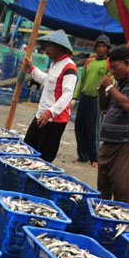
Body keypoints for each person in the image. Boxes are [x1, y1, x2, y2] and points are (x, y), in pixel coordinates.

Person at [96, 45, 129, 203]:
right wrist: (101, 92)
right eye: (111, 68)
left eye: (115, 67)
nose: (112, 71)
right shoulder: (119, 84)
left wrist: (110, 87)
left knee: (121, 188)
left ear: (127, 63)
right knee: (103, 186)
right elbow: (104, 108)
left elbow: (128, 105)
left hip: (124, 143)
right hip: (108, 141)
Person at [21, 30, 77, 163]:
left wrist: (50, 113)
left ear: (58, 47)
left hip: (54, 120)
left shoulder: (69, 67)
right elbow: (47, 80)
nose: (46, 50)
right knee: (27, 148)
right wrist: (32, 68)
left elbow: (67, 94)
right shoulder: (55, 64)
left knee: (44, 158)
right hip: (42, 115)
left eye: (48, 47)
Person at [73, 34, 110, 167]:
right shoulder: (89, 61)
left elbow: (111, 82)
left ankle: (94, 158)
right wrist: (75, 97)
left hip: (96, 99)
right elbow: (81, 80)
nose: (100, 49)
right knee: (79, 126)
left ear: (107, 48)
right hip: (84, 97)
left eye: (103, 46)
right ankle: (82, 155)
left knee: (93, 129)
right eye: (98, 46)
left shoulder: (108, 63)